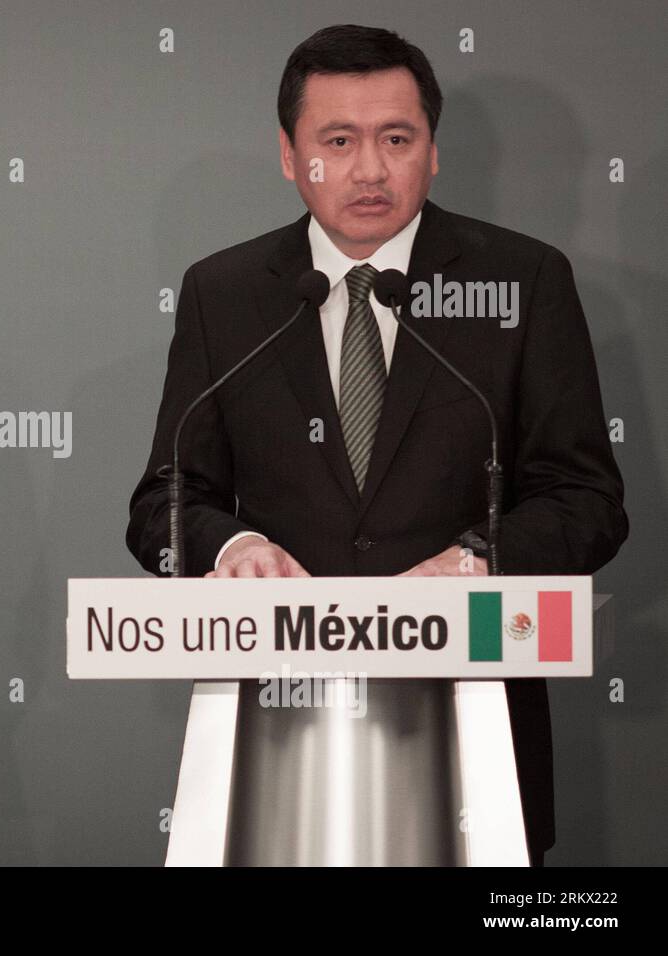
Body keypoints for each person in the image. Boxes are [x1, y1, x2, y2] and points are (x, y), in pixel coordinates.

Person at [126, 25, 627, 866]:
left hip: (476, 730)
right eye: (338, 141)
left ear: (433, 151)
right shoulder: (226, 293)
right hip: (275, 731)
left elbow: (587, 501)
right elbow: (163, 504)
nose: (369, 169)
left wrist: (477, 562)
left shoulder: (523, 281)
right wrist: (237, 544)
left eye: (397, 139)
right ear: (290, 155)